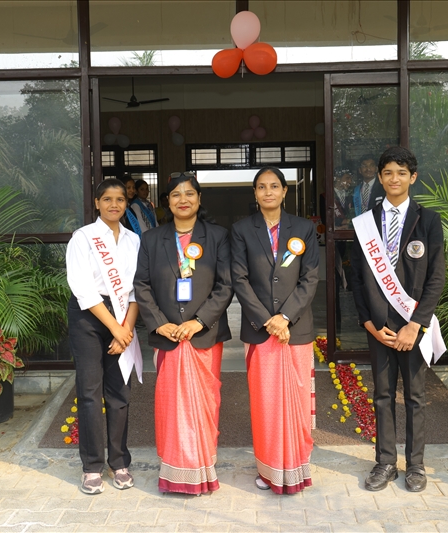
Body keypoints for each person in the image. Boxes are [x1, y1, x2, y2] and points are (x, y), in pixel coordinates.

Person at [349, 146, 446, 493]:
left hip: (412, 326)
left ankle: (415, 465)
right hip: (380, 326)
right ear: (380, 177)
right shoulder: (365, 223)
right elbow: (356, 278)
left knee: (416, 397)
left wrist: (415, 324)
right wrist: (369, 323)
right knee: (383, 395)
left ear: (412, 177)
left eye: (402, 173)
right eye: (388, 172)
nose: (394, 179)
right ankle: (385, 462)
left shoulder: (428, 220)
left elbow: (436, 277)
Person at [133, 174, 233, 495]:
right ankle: (176, 472)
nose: (183, 199)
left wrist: (198, 321)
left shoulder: (217, 236)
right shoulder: (152, 239)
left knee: (205, 404)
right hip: (168, 336)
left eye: (189, 193)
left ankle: (203, 468)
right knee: (171, 406)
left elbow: (225, 285)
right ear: (167, 202)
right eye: (176, 194)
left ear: (199, 199)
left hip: (204, 335)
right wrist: (159, 322)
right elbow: (142, 285)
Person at [231, 166, 319, 494]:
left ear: (284, 191)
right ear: (255, 193)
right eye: (261, 187)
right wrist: (269, 320)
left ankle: (297, 466)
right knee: (266, 404)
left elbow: (310, 277)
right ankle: (268, 469)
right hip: (260, 331)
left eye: (274, 186)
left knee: (297, 401)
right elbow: (239, 279)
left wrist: (286, 317)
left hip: (296, 330)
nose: (268, 192)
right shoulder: (241, 230)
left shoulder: (303, 228)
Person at [66, 178, 142, 495]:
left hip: (123, 316)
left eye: (120, 199)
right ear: (97, 203)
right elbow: (82, 288)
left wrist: (126, 329)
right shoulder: (83, 238)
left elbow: (138, 288)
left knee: (119, 392)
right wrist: (115, 328)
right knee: (89, 392)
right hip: (89, 317)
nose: (114, 204)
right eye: (107, 199)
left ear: (126, 203)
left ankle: (119, 462)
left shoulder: (134, 240)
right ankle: (92, 466)